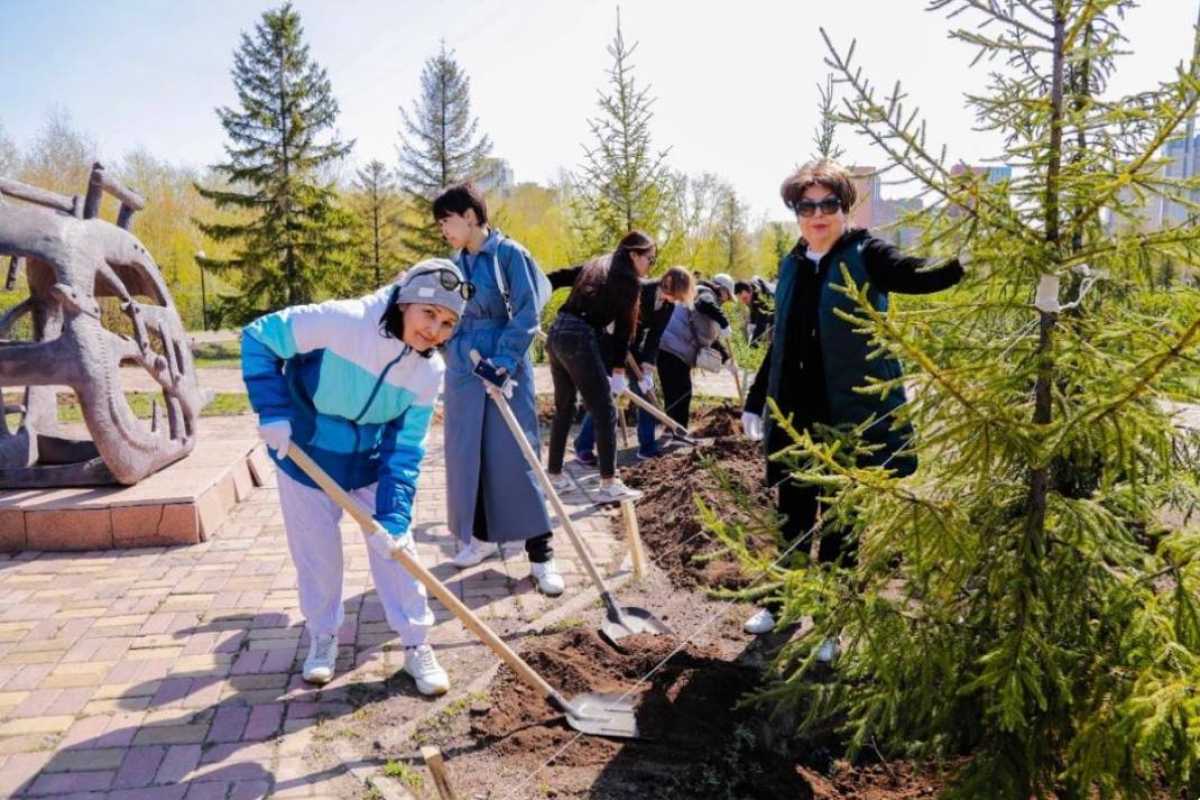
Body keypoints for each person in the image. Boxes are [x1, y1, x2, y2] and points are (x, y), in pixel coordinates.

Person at [740, 159, 964, 645]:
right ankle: (781, 604)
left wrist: (969, 256)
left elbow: (919, 275)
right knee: (792, 520)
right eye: (807, 205)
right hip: (796, 419)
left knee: (842, 528)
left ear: (845, 208)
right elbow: (780, 340)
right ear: (796, 212)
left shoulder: (868, 254)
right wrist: (756, 401)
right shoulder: (793, 263)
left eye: (828, 204)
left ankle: (832, 626)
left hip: (850, 420)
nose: (818, 214)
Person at [242, 260, 472, 694]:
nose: (435, 331)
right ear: (405, 303)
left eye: (447, 323)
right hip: (305, 458)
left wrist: (395, 516)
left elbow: (405, 449)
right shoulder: (341, 322)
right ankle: (323, 636)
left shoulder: (428, 371)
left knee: (399, 554)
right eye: (429, 315)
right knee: (317, 558)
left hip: (368, 466)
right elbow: (258, 337)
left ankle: (416, 643)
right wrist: (272, 411)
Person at [433, 183, 564, 595]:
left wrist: (503, 364)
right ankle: (481, 538)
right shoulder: (457, 264)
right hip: (464, 372)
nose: (443, 231)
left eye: (446, 221)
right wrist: (450, 348)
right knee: (468, 453)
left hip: (503, 369)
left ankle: (542, 556)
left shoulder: (510, 255)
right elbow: (451, 315)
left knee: (515, 456)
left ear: (470, 216)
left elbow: (527, 315)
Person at [543, 232, 656, 503]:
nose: (650, 266)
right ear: (634, 255)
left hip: (557, 331)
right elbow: (624, 332)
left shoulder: (597, 265)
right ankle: (608, 484)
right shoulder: (628, 281)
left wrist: (530, 298)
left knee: (565, 408)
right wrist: (618, 371)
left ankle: (555, 476)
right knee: (605, 409)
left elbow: (556, 277)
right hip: (580, 336)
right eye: (649, 259)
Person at [570, 266, 696, 461]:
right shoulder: (638, 289)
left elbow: (654, 337)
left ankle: (646, 447)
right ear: (668, 282)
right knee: (606, 397)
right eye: (675, 295)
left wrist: (646, 368)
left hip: (632, 347)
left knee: (645, 396)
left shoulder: (668, 305)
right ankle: (583, 445)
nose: (674, 301)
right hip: (607, 343)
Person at [656, 278, 733, 433]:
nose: (727, 300)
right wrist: (724, 323)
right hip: (674, 348)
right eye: (728, 296)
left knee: (675, 393)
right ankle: (678, 432)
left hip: (669, 348)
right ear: (722, 289)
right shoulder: (705, 293)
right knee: (682, 393)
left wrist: (728, 360)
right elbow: (704, 304)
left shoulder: (702, 297)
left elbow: (710, 339)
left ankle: (672, 430)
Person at [734, 276, 775, 344]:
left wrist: (752, 346)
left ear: (750, 291)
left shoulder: (762, 298)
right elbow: (754, 314)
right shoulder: (750, 293)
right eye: (741, 300)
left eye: (745, 298)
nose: (744, 302)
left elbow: (761, 326)